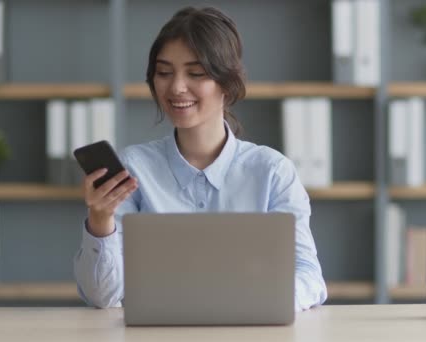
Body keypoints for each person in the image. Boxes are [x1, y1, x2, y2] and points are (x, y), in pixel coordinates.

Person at [74, 6, 327, 311]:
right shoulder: (134, 169)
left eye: (196, 73)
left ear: (227, 82)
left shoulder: (272, 172)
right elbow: (103, 297)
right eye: (164, 72)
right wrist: (101, 221)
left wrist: (260, 303)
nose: (177, 87)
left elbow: (310, 276)